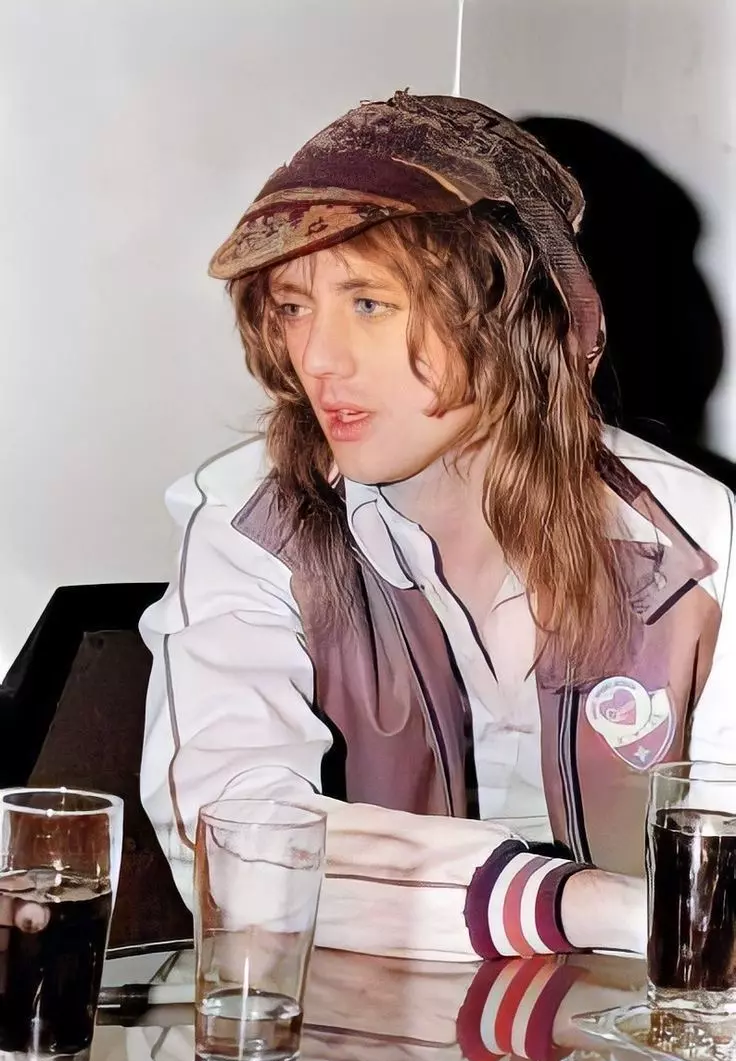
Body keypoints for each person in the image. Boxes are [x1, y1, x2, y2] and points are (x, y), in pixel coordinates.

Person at [139, 92, 735, 962]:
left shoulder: (691, 534)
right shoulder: (251, 523)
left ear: (511, 312)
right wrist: (580, 904)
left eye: (369, 303)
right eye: (294, 306)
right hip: (361, 1026)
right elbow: (239, 847)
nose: (318, 357)